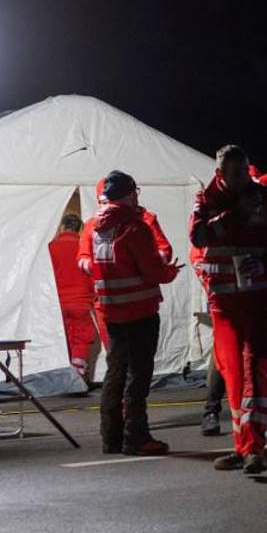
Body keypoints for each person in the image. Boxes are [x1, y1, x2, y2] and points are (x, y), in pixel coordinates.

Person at [190, 147, 267, 473]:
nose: (239, 179)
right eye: (231, 173)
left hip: (261, 298)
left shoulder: (265, 198)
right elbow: (198, 236)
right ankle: (242, 446)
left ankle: (255, 447)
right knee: (233, 373)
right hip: (223, 303)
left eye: (243, 172)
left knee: (256, 368)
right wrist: (231, 216)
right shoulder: (206, 199)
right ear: (219, 172)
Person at [87, 171, 181, 455]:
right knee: (137, 377)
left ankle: (111, 437)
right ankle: (136, 438)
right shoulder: (135, 228)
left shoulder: (95, 229)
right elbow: (152, 271)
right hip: (140, 313)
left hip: (112, 312)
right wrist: (170, 272)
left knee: (115, 373)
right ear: (130, 194)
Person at [48, 214, 97, 383]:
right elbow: (94, 274)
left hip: (58, 302)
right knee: (82, 338)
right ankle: (78, 377)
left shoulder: (51, 247)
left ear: (62, 227)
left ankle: (67, 376)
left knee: (66, 338)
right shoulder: (84, 248)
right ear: (80, 229)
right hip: (81, 301)